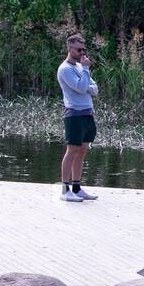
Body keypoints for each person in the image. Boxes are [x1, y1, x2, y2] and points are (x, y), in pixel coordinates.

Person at [57, 34, 99, 202]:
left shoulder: (81, 68)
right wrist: (86, 73)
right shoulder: (65, 69)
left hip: (87, 113)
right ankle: (65, 189)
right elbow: (82, 88)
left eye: (84, 49)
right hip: (74, 114)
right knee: (72, 150)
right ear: (70, 49)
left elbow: (94, 89)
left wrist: (86, 80)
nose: (82, 53)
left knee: (82, 151)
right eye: (79, 49)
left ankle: (76, 187)